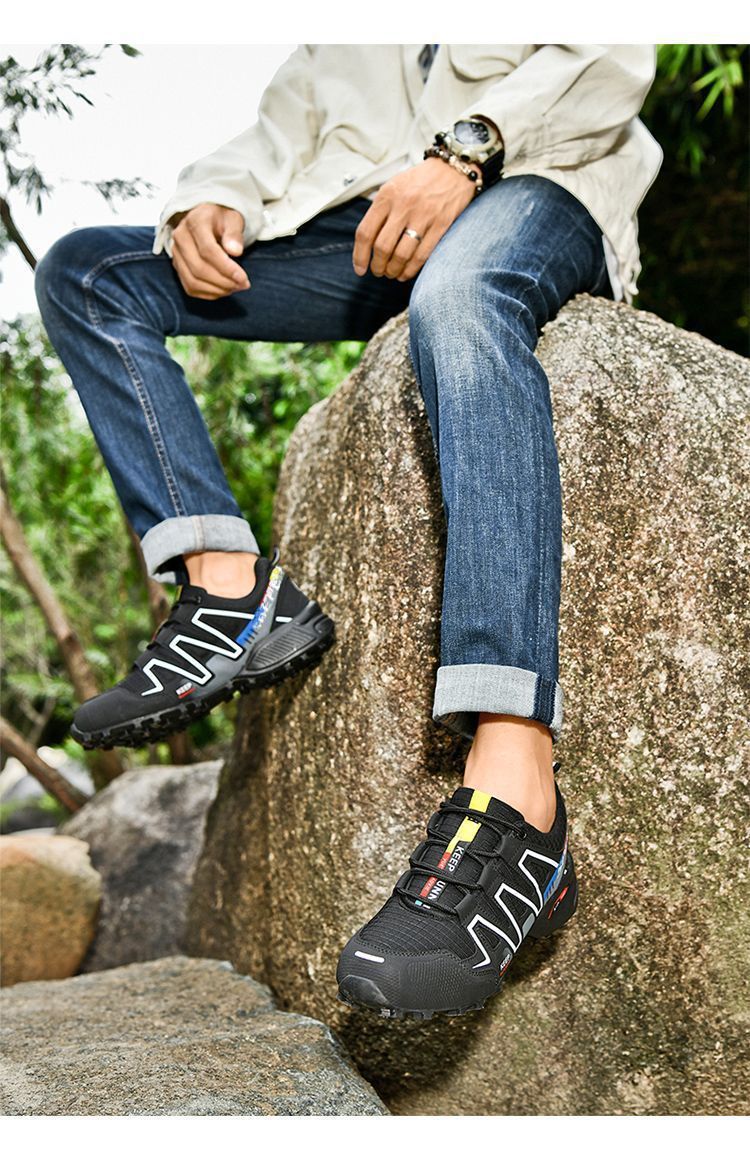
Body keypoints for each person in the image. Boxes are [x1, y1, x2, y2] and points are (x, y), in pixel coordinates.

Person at [35, 44, 662, 1019]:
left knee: (460, 300)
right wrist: (210, 202)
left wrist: (465, 153)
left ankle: (520, 793)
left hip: (540, 185)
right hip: (373, 236)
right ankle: (232, 591)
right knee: (88, 273)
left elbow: (613, 52)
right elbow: (282, 129)